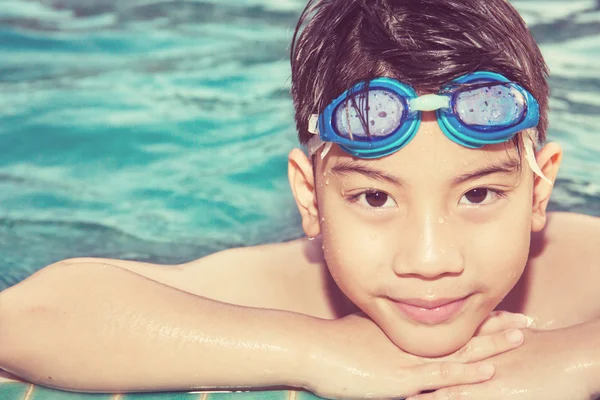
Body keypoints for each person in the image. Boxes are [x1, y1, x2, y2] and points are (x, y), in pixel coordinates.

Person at [1, 0, 599, 399]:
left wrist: (571, 361)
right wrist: (318, 348)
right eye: (373, 197)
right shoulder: (291, 292)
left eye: (478, 193)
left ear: (539, 188)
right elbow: (27, 319)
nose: (429, 257)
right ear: (311, 197)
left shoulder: (571, 266)